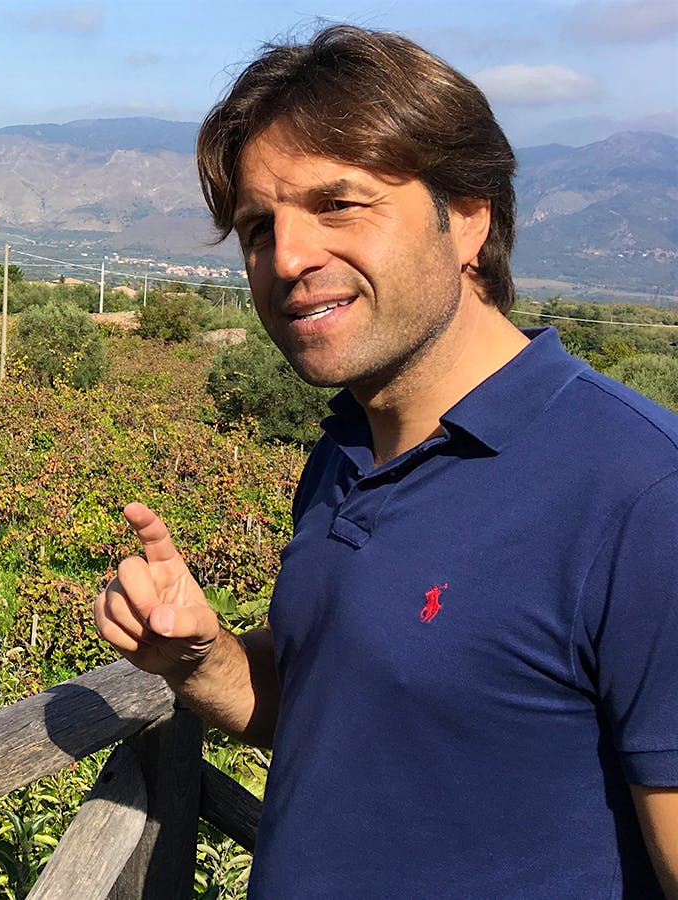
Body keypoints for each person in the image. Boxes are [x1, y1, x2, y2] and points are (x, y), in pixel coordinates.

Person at [95, 24, 677, 898]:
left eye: (339, 204)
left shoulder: (639, 492)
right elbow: (341, 718)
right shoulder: (343, 452)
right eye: (259, 227)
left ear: (469, 216)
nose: (287, 258)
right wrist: (198, 655)